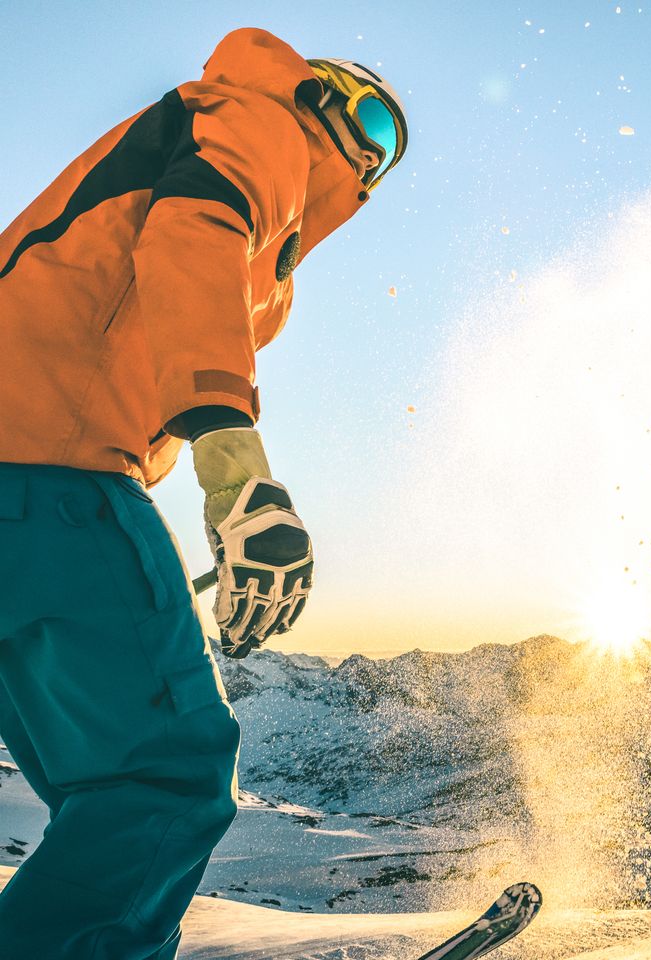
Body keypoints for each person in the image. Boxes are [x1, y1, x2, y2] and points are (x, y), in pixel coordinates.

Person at [0, 27, 407, 958]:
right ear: (319, 95)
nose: (368, 155)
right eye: (369, 117)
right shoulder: (257, 121)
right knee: (162, 781)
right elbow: (192, 236)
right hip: (53, 473)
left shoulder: (260, 244)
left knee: (102, 789)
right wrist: (238, 480)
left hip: (36, 479)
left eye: (388, 152)